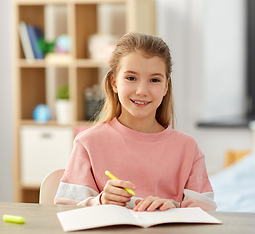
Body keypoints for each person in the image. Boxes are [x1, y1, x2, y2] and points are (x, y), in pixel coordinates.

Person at [54, 32, 216, 212]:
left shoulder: (188, 148)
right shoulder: (88, 143)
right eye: (131, 78)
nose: (141, 90)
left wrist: (174, 207)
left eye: (154, 80)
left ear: (166, 87)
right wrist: (99, 202)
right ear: (114, 82)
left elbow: (205, 214)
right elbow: (64, 212)